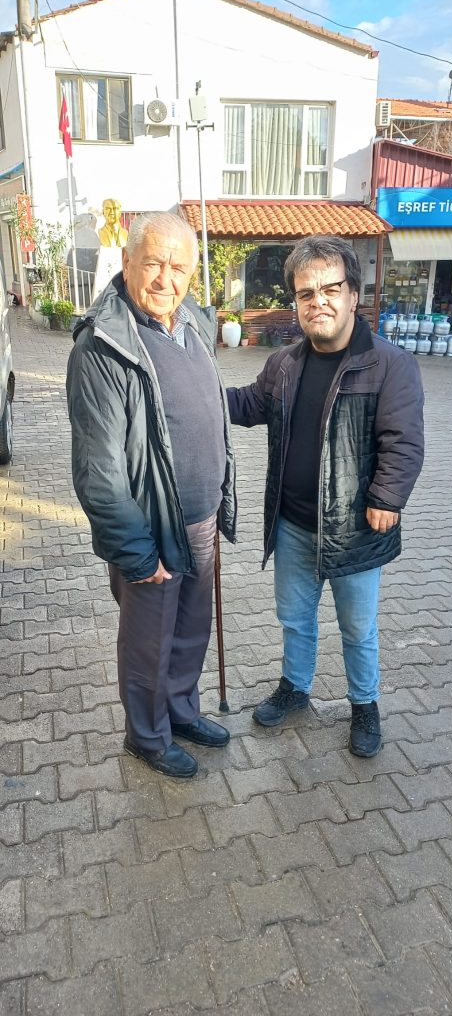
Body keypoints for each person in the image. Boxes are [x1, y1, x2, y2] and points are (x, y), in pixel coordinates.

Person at [227, 235, 424, 758]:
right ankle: (295, 687)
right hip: (292, 522)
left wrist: (388, 497)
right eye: (306, 292)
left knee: (357, 628)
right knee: (294, 617)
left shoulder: (389, 365)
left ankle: (365, 704)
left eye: (330, 289)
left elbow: (403, 442)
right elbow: (249, 404)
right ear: (296, 301)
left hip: (357, 527)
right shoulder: (284, 364)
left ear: (353, 294)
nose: (318, 301)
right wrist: (197, 392)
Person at [67, 212, 236, 778]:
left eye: (179, 267)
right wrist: (137, 554)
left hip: (201, 517)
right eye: (154, 263)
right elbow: (99, 469)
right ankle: (146, 736)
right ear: (127, 262)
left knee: (190, 631)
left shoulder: (193, 321)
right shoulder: (103, 345)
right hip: (152, 525)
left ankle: (181, 712)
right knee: (150, 643)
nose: (166, 278)